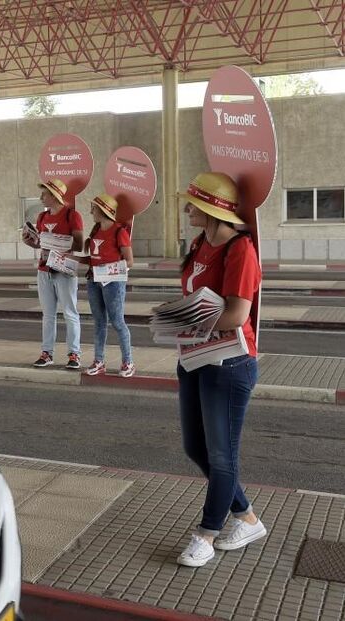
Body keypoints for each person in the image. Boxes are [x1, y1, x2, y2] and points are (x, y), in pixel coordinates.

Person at [174, 172, 267, 568]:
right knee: (196, 448)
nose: (186, 209)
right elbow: (197, 297)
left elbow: (235, 314)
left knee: (222, 454)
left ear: (212, 209)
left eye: (192, 203)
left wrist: (184, 321)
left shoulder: (240, 250)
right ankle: (246, 517)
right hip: (195, 356)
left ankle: (207, 534)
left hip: (229, 363)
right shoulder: (199, 244)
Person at [67, 193, 135, 377]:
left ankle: (128, 362)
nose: (91, 212)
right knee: (99, 322)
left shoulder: (120, 232)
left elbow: (129, 262)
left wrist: (107, 270)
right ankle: (99, 361)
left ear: (104, 210)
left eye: (94, 208)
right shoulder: (96, 231)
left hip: (113, 283)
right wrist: (71, 257)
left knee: (118, 322)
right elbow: (93, 259)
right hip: (93, 280)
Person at [23, 178, 84, 369]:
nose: (41, 197)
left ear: (55, 195)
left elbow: (79, 244)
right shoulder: (42, 217)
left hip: (64, 270)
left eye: (45, 194)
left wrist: (59, 246)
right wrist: (30, 241)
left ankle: (74, 354)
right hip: (44, 270)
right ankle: (47, 353)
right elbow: (40, 244)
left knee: (70, 313)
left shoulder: (72, 216)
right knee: (48, 315)